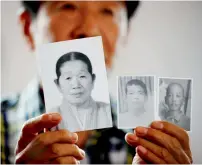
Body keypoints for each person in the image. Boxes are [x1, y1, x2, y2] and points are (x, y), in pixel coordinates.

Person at [1, 1, 193, 164]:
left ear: (125, 32)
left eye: (107, 11)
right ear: (28, 27)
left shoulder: (147, 142)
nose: (89, 30)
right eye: (68, 6)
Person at [51, 51, 112, 132]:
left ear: (93, 79)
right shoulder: (51, 116)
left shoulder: (107, 111)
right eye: (68, 78)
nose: (76, 85)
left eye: (82, 76)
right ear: (57, 84)